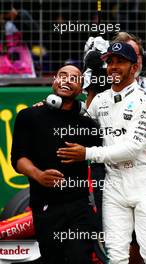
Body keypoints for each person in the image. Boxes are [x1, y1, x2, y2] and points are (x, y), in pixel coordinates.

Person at [57, 43, 146, 263]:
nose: (113, 67)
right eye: (110, 62)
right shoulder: (101, 100)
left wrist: (87, 154)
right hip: (113, 184)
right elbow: (84, 129)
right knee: (116, 257)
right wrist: (50, 107)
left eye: (120, 62)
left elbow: (131, 149)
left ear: (134, 66)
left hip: (144, 181)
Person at [11, 64, 102, 264]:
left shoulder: (87, 123)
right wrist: (38, 175)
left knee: (80, 258)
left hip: (79, 207)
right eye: (62, 75)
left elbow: (110, 150)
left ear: (81, 88)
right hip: (45, 207)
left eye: (74, 78)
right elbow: (18, 159)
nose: (66, 80)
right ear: (54, 80)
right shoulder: (29, 116)